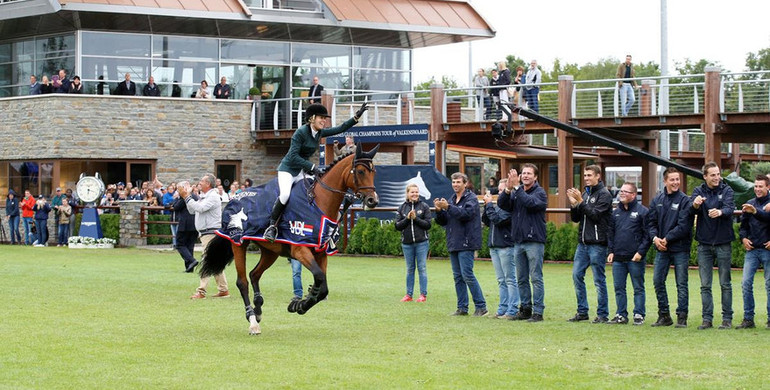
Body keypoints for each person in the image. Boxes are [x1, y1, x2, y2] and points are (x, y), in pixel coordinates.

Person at [263, 102, 368, 242]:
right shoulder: (300, 133)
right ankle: (271, 227)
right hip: (288, 170)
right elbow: (293, 156)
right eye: (321, 118)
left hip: (303, 170)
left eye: (325, 118)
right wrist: (312, 167)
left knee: (316, 193)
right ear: (312, 118)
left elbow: (340, 128)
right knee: (285, 194)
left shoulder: (319, 133)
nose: (324, 121)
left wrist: (356, 117)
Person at [498, 164, 548, 321]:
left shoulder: (540, 193)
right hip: (518, 241)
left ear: (535, 177)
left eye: (528, 173)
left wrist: (517, 188)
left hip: (534, 241)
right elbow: (502, 205)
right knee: (521, 278)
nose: (525, 175)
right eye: (523, 173)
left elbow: (530, 203)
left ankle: (538, 312)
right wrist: (507, 190)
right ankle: (525, 309)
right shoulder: (516, 193)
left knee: (536, 277)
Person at [434, 172, 487, 316]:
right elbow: (444, 221)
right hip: (454, 241)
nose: (455, 185)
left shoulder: (471, 199)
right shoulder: (451, 199)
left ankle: (481, 306)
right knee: (457, 277)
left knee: (467, 274)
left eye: (458, 182)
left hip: (467, 242)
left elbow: (466, 215)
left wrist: (448, 207)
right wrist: (439, 211)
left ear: (465, 183)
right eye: (453, 182)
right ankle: (462, 308)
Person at [690, 162, 735, 330]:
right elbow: (690, 210)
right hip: (704, 244)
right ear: (705, 176)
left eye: (718, 174)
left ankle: (727, 319)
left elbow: (730, 208)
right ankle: (707, 319)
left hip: (723, 242)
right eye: (713, 175)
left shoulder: (727, 190)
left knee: (725, 283)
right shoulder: (698, 191)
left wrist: (721, 212)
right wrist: (695, 204)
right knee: (705, 284)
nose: (717, 178)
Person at [648, 167, 693, 328]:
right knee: (657, 280)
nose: (676, 182)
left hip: (680, 248)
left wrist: (666, 239)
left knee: (681, 283)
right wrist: (655, 239)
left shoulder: (685, 201)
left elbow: (684, 226)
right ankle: (664, 315)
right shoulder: (657, 200)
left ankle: (682, 317)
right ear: (665, 181)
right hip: (661, 248)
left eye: (677, 179)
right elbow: (650, 223)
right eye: (672, 179)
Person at [566, 165, 612, 323]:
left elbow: (595, 215)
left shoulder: (604, 195)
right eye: (585, 175)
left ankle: (603, 314)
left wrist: (580, 201)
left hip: (597, 244)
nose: (586, 178)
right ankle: (582, 311)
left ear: (598, 176)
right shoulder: (585, 194)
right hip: (583, 244)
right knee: (576, 275)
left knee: (599, 279)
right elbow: (576, 219)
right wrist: (574, 205)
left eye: (589, 175)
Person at [607, 182, 650, 325]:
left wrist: (640, 252)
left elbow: (647, 235)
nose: (622, 194)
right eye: (621, 191)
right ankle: (621, 314)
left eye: (625, 191)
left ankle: (639, 314)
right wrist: (611, 251)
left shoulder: (642, 212)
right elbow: (611, 233)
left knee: (638, 287)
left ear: (633, 195)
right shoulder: (616, 212)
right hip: (618, 258)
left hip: (635, 258)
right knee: (619, 288)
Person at [179, 174, 229, 298]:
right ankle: (223, 290)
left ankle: (201, 291)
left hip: (210, 233)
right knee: (215, 261)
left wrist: (186, 196)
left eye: (202, 181)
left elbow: (200, 208)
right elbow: (192, 210)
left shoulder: (213, 197)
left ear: (208, 184)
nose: (199, 183)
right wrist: (188, 197)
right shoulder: (205, 196)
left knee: (206, 260)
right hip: (206, 233)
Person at [737, 175, 770, 329]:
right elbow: (743, 226)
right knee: (745, 283)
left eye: (760, 186)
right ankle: (748, 318)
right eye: (755, 186)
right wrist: (743, 238)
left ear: (768, 187)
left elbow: (766, 218)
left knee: (769, 285)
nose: (757, 189)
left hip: (768, 250)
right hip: (752, 250)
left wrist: (755, 211)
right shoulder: (749, 204)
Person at [482, 179, 518, 318]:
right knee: (501, 280)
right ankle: (502, 309)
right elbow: (486, 220)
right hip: (495, 246)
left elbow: (497, 219)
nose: (499, 193)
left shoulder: (509, 208)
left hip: (506, 246)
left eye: (502, 190)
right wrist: (487, 206)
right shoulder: (496, 206)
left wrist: (489, 205)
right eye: (499, 190)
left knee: (510, 279)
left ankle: (512, 309)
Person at [395, 183, 432, 303]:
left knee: (422, 268)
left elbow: (428, 225)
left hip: (422, 243)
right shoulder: (402, 208)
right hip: (407, 243)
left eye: (416, 192)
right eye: (412, 192)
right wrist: (407, 218)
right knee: (410, 269)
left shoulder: (424, 206)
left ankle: (423, 295)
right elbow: (397, 226)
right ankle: (409, 294)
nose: (415, 194)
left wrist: (416, 219)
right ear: (407, 194)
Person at [173, 180, 199, 273]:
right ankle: (189, 267)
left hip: (185, 224)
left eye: (178, 189)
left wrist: (177, 198)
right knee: (190, 245)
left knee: (180, 244)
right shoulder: (195, 196)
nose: (178, 191)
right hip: (195, 224)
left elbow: (176, 207)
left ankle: (192, 261)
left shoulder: (185, 197)